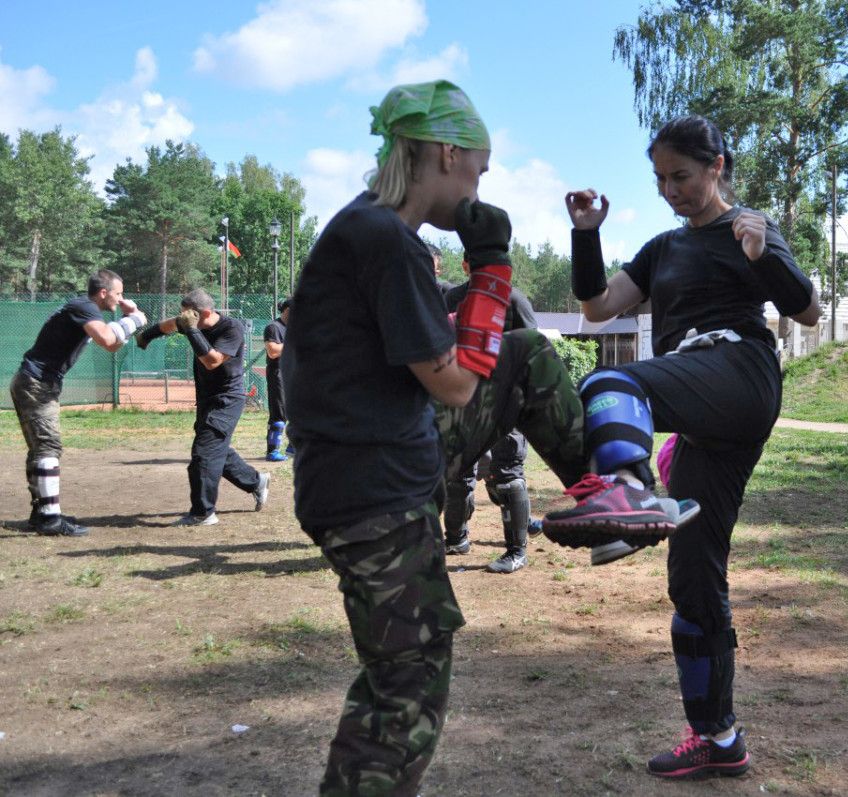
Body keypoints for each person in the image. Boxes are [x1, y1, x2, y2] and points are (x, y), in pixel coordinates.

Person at [280, 80, 687, 797]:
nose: (480, 184)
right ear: (445, 153)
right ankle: (610, 488)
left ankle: (609, 490)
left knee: (526, 353)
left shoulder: (371, 232)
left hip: (383, 462)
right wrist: (492, 268)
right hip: (370, 489)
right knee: (404, 683)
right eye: (480, 168)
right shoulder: (382, 239)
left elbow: (456, 361)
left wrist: (484, 283)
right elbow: (459, 383)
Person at [549, 113, 820, 778]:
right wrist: (588, 235)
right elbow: (597, 306)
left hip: (739, 374)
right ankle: (718, 735)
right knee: (694, 574)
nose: (672, 190)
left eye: (684, 176)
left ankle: (631, 492)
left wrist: (768, 256)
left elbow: (807, 311)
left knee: (611, 383)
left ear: (717, 165)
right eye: (661, 179)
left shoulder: (748, 228)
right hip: (703, 411)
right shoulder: (663, 249)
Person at [10, 269, 146, 536]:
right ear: (103, 292)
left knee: (40, 448)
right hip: (37, 383)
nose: (120, 299)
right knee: (48, 446)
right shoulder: (84, 306)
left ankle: (42, 513)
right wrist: (137, 319)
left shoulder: (84, 310)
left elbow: (112, 344)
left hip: (35, 381)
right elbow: (108, 339)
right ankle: (49, 519)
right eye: (118, 294)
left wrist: (130, 319)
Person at [440, 256, 541, 572]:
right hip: (464, 400)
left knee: (508, 473)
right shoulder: (452, 298)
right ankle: (456, 539)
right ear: (467, 265)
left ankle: (516, 551)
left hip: (507, 401)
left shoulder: (514, 299)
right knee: (457, 472)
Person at [136, 289, 269, 526]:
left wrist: (192, 329)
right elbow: (168, 325)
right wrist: (146, 336)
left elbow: (212, 361)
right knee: (216, 448)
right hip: (207, 398)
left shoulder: (231, 328)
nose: (184, 319)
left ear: (204, 312)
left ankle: (203, 513)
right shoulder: (191, 321)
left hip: (227, 399)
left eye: (188, 316)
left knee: (203, 455)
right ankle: (256, 481)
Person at [263, 298, 291, 461]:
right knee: (279, 413)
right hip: (278, 374)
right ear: (287, 310)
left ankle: (293, 447)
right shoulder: (274, 327)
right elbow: (273, 351)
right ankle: (272, 450)